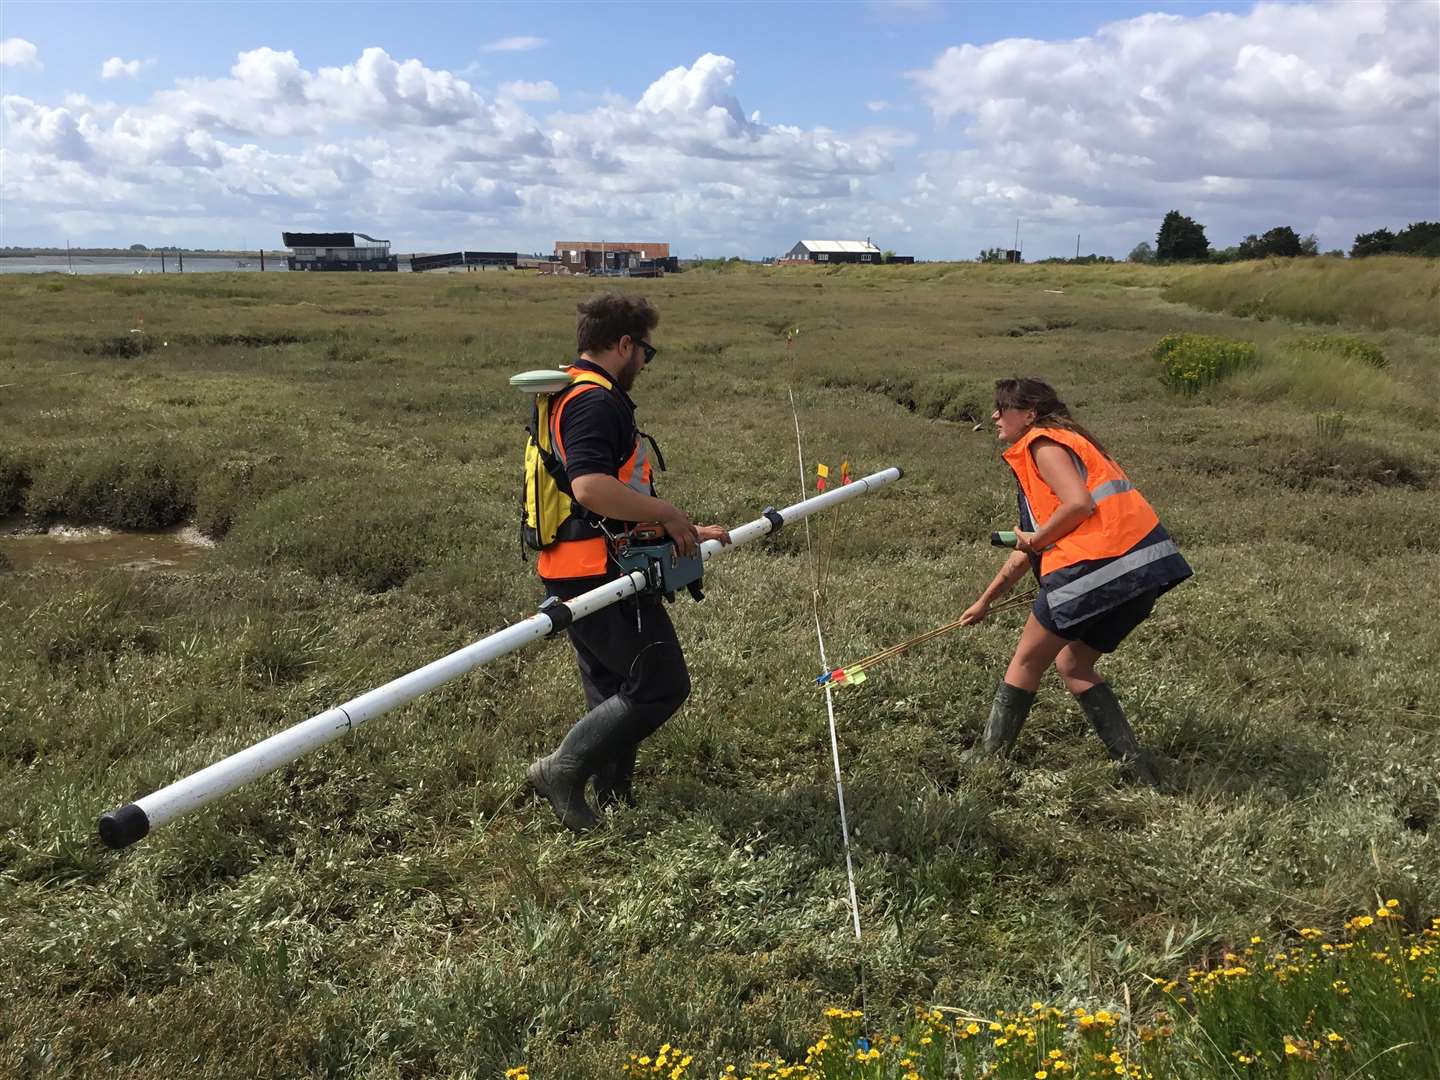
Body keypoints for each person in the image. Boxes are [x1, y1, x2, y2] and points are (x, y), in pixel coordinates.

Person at [527, 293, 731, 832]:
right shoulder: (595, 401)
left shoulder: (569, 389)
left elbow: (600, 494)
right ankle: (560, 771)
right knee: (660, 683)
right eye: (645, 351)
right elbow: (591, 488)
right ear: (623, 344)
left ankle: (613, 793)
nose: (645, 361)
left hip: (577, 561)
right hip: (596, 570)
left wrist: (674, 527)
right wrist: (665, 510)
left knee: (615, 685)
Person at [959, 377, 1192, 784]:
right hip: (1142, 572)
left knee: (1027, 662)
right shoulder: (1073, 443)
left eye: (1003, 407)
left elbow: (1078, 505)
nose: (995, 415)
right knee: (1074, 664)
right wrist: (986, 601)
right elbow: (1028, 547)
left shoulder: (1042, 444)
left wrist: (1040, 538)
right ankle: (1140, 774)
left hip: (1091, 570)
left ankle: (985, 770)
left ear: (1029, 414)